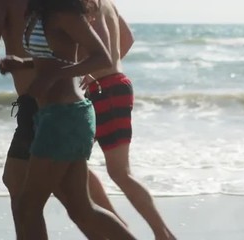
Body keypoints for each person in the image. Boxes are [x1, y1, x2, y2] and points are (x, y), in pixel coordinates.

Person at [0, 0, 126, 237]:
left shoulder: (50, 8)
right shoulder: (45, 8)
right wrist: (31, 64)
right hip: (58, 108)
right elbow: (77, 48)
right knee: (76, 206)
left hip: (52, 111)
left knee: (31, 203)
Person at [79, 0, 176, 239]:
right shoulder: (107, 2)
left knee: (111, 170)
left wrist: (94, 69)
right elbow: (128, 38)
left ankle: (153, 234)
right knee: (77, 163)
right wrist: (108, 64)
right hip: (113, 84)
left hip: (106, 89)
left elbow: (95, 41)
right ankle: (120, 228)